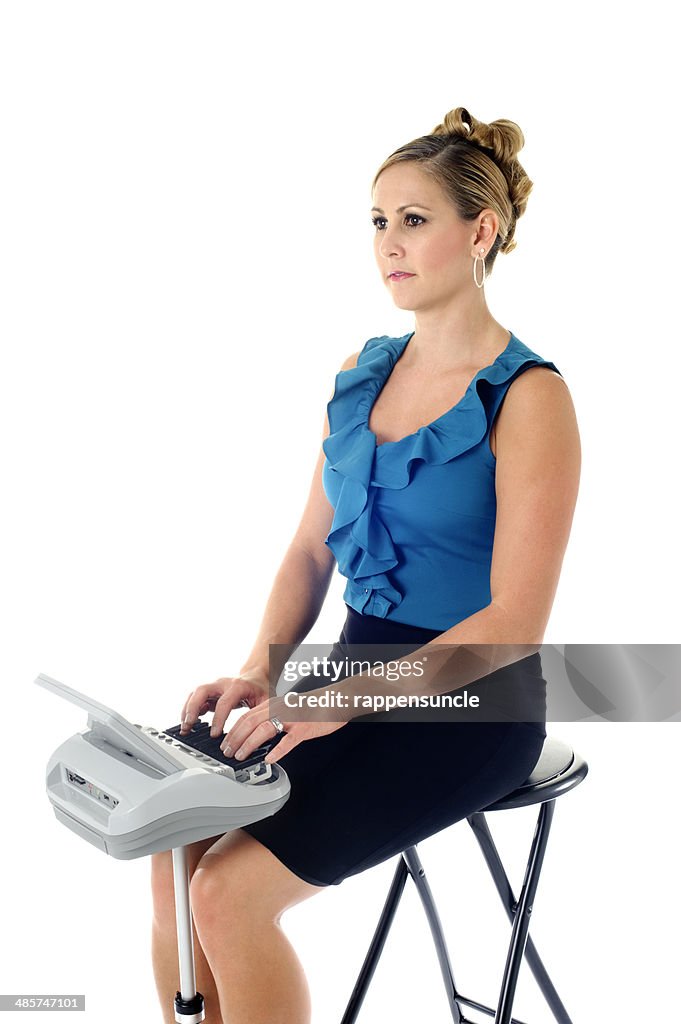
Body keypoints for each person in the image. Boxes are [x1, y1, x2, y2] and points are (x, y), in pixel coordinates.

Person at [150, 105, 581, 1024]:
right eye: (378, 222)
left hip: (473, 707)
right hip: (348, 672)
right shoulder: (361, 371)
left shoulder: (530, 398)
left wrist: (332, 703)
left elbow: (514, 627)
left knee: (228, 894)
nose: (388, 242)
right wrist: (263, 668)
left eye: (414, 220)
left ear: (481, 231)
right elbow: (310, 549)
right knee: (173, 844)